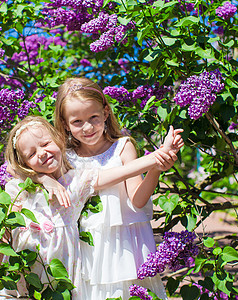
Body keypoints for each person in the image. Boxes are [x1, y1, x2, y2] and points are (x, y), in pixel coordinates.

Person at [2, 115, 180, 299]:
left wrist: (161, 154)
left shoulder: (77, 182)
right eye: (31, 154)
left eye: (46, 143)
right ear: (24, 162)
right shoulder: (19, 187)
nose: (41, 153)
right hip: (24, 274)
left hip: (62, 278)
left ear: (58, 139)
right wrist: (42, 178)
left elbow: (121, 172)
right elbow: (7, 227)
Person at [52, 77, 184, 299]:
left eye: (93, 117)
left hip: (126, 247)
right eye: (77, 122)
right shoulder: (66, 158)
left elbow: (137, 201)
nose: (87, 127)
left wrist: (156, 168)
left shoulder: (123, 147)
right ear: (65, 124)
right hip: (88, 251)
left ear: (105, 113)